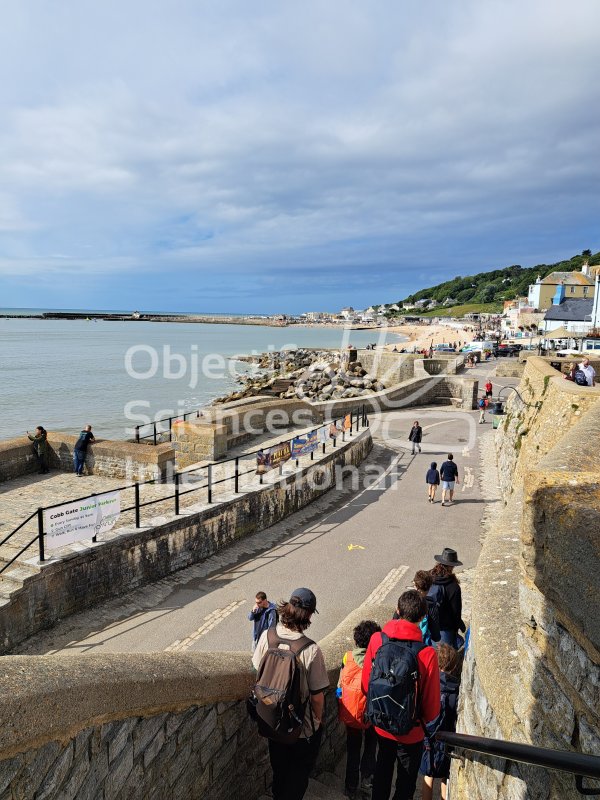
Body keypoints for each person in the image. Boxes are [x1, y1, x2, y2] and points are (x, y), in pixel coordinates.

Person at [362, 591, 441, 800]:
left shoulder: (377, 640)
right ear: (423, 617)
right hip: (411, 731)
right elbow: (432, 708)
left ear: (397, 611)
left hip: (381, 722)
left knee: (382, 769)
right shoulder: (427, 654)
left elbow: (365, 684)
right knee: (406, 782)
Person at [252, 588, 329, 800]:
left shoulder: (268, 637)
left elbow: (258, 670)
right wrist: (318, 720)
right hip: (301, 727)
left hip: (273, 720)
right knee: (297, 777)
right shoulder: (310, 650)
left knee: (279, 771)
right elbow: (316, 696)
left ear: (287, 608)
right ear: (310, 615)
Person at [338, 620, 381, 799]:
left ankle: (350, 786)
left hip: (352, 712)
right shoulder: (377, 661)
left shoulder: (347, 657)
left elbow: (340, 684)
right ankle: (366, 780)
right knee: (371, 747)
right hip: (370, 714)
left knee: (353, 750)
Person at [419, 644, 461, 800]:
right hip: (449, 737)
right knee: (446, 774)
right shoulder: (456, 689)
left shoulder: (430, 683)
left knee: (428, 774)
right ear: (454, 665)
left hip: (429, 736)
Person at [428, 549, 465, 648]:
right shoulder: (454, 587)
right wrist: (459, 627)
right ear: (452, 566)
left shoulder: (429, 577)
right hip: (445, 630)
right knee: (445, 660)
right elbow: (456, 612)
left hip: (429, 625)